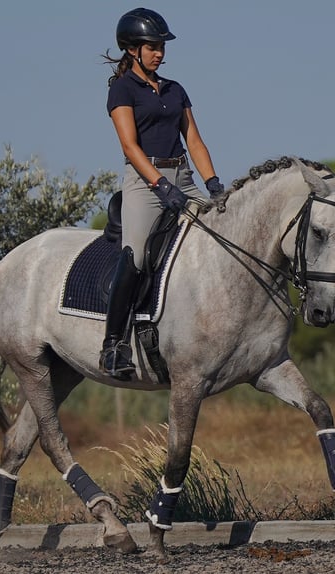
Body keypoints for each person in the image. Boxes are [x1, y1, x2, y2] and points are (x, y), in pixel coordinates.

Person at [100, 7, 225, 378]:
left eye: (161, 47)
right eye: (153, 47)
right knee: (136, 253)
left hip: (183, 174)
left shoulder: (175, 89)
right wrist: (159, 184)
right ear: (132, 50)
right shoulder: (122, 90)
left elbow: (196, 142)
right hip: (145, 181)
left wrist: (213, 184)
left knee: (221, 235)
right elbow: (129, 147)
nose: (160, 53)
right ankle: (113, 344)